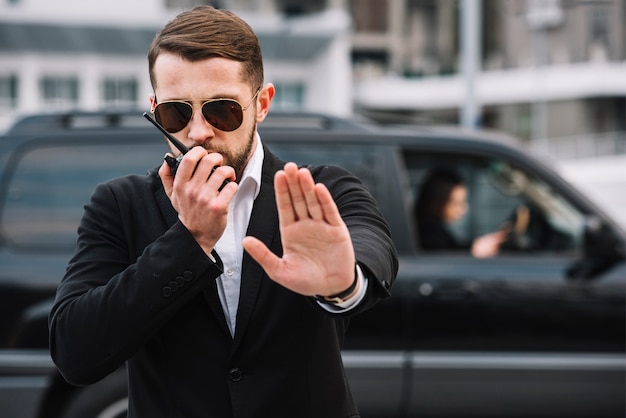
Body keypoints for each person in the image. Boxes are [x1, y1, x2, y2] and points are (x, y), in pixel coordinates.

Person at [48, 6, 398, 418]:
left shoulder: (324, 189)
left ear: (262, 104)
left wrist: (343, 285)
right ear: (155, 106)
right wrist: (189, 241)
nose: (197, 131)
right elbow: (75, 353)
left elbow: (373, 250)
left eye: (222, 110)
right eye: (176, 112)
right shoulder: (119, 204)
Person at [415, 167, 507, 258]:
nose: (464, 208)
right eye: (457, 204)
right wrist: (474, 252)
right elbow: (443, 262)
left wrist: (475, 247)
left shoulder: (432, 228)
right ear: (438, 203)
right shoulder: (429, 234)